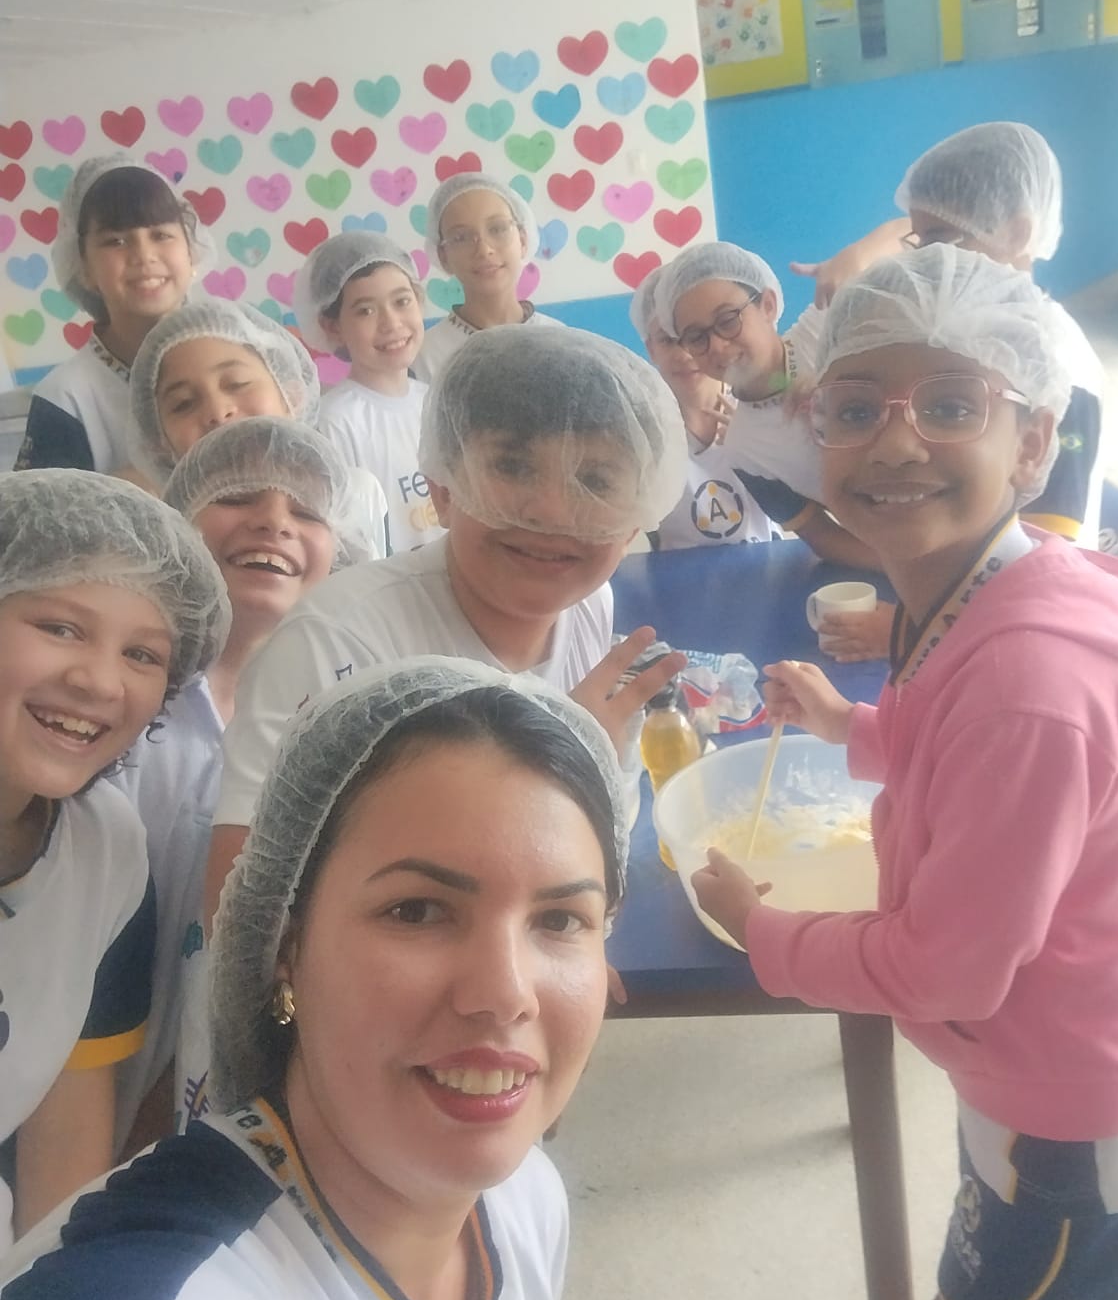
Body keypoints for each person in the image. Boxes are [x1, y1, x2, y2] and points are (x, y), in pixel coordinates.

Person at [694, 245, 1118, 1300]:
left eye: (952, 404)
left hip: (1072, 1110)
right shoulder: (981, 587)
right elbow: (964, 752)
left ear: (1033, 442)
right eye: (857, 407)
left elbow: (951, 969)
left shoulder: (1030, 685)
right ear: (816, 430)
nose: (897, 440)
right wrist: (856, 730)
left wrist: (766, 931)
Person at [0, 658, 626, 1300]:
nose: (505, 993)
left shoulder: (522, 1203)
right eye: (417, 910)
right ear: (284, 946)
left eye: (561, 919)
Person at [204, 323, 687, 933]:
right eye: (513, 466)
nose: (552, 509)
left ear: (636, 512)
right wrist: (558, 766)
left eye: (594, 480)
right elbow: (235, 912)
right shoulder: (337, 645)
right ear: (442, 486)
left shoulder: (588, 603)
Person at [795, 124, 1118, 661]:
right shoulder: (961, 334)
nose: (926, 258)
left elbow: (1047, 561)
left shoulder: (1057, 366)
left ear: (1019, 232)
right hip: (984, 567)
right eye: (920, 240)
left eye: (942, 237)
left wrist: (911, 630)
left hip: (1019, 606)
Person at [111, 418, 360, 1145]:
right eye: (238, 495)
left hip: (243, 1084)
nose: (273, 520)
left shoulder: (345, 714)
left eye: (306, 510)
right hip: (80, 1052)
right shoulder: (122, 701)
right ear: (177, 520)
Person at [0, 470, 228, 1253]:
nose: (99, 681)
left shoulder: (105, 852)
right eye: (61, 627)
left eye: (142, 653)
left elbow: (61, 1155)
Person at [655, 241, 876, 567]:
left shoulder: (828, 326)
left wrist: (858, 255)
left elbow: (919, 234)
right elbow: (821, 536)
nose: (717, 346)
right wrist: (905, 572)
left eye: (728, 320)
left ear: (768, 306)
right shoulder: (743, 450)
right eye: (697, 337)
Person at [129, 299, 388, 556]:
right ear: (158, 441)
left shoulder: (357, 497)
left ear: (292, 397)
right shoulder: (154, 543)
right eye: (184, 403)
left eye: (237, 383)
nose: (217, 412)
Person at [15, 156, 212, 475]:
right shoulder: (66, 398)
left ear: (191, 250)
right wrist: (135, 483)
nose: (144, 256)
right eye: (115, 241)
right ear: (83, 266)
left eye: (161, 235)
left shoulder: (245, 355)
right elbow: (39, 507)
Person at [295, 232, 441, 553]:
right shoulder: (334, 422)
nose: (391, 323)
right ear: (333, 326)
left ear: (419, 300)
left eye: (402, 301)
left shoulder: (436, 401)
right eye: (365, 311)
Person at [628, 268, 776, 549]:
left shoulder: (759, 407)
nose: (684, 354)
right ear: (651, 349)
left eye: (694, 337)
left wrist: (757, 452)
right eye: (668, 340)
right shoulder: (641, 431)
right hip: (677, 574)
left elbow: (805, 509)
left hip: (769, 563)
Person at [413, 173, 552, 386]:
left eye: (497, 229)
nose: (484, 250)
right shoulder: (425, 358)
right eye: (461, 237)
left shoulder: (560, 340)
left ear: (523, 240)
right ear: (443, 256)